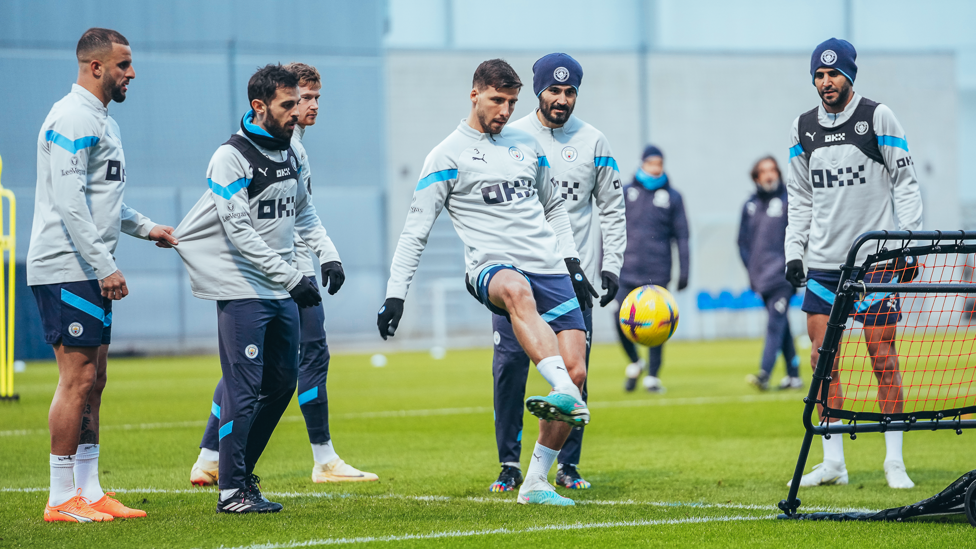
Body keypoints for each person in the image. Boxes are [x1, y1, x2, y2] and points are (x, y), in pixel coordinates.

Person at [377, 59, 592, 506]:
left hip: (549, 265)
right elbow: (416, 229)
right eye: (497, 100)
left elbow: (554, 208)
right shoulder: (446, 155)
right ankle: (565, 394)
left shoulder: (527, 144)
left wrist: (571, 262)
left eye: (512, 102)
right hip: (491, 267)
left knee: (576, 369)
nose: (505, 111)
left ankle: (535, 482)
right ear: (474, 95)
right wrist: (396, 294)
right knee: (516, 291)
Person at [188, 63, 376, 488]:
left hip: (285, 280)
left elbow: (302, 210)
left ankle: (223, 467)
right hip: (253, 283)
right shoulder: (232, 155)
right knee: (254, 377)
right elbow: (239, 231)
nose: (303, 110)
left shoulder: (292, 150)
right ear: (262, 105)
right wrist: (293, 276)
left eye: (309, 99)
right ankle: (245, 477)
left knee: (275, 379)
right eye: (294, 101)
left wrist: (328, 255)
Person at [30, 27, 178, 523]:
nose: (131, 73)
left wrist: (148, 227)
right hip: (66, 265)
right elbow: (71, 204)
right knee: (78, 378)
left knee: (97, 380)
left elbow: (104, 202)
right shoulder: (72, 117)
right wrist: (105, 266)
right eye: (123, 65)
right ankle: (59, 497)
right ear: (96, 67)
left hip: (86, 266)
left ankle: (89, 490)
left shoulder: (103, 121)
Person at [784, 38, 923, 490]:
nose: (826, 82)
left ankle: (895, 462)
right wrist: (793, 250)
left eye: (834, 74)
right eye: (819, 76)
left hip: (875, 264)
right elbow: (800, 197)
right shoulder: (801, 128)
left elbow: (905, 182)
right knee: (824, 364)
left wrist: (908, 244)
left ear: (850, 76)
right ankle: (833, 462)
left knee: (883, 358)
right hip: (824, 268)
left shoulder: (877, 117)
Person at [492, 53, 626, 492]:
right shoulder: (509, 137)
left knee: (576, 372)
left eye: (570, 92)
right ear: (538, 91)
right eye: (554, 90)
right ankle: (509, 464)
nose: (562, 99)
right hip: (518, 278)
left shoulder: (593, 142)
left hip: (575, 280)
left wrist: (611, 266)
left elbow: (612, 209)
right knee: (511, 367)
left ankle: (566, 466)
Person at [616, 145, 689, 393]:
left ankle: (653, 376)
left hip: (657, 270)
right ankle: (636, 362)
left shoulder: (673, 196)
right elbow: (610, 230)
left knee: (658, 322)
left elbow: (683, 236)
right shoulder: (626, 192)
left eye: (659, 163)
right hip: (626, 269)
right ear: (642, 163)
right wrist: (607, 267)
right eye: (651, 163)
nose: (656, 168)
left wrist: (684, 271)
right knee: (620, 318)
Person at [739, 156, 802, 391]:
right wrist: (752, 270)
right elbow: (742, 242)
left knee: (775, 323)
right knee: (781, 323)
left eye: (773, 170)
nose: (769, 175)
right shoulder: (750, 206)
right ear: (756, 177)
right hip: (760, 278)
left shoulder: (789, 201)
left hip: (782, 276)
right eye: (764, 171)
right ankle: (794, 375)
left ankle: (764, 373)